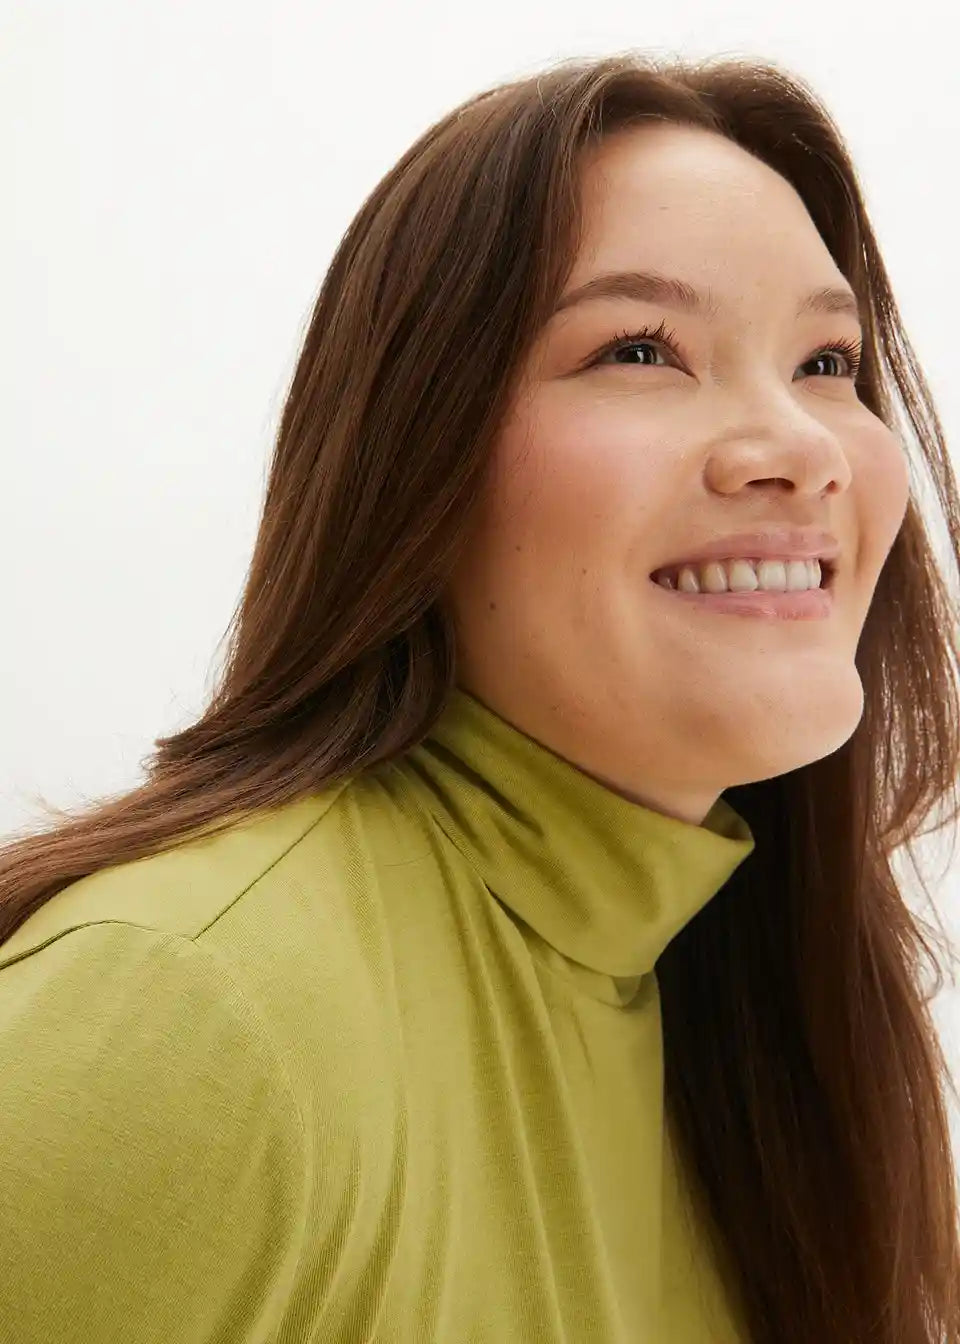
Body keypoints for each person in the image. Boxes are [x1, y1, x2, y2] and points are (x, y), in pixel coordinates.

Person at [2, 52, 959, 1344]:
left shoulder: (767, 1045)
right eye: (640, 349)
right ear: (420, 462)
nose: (797, 446)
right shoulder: (188, 1017)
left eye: (827, 361)